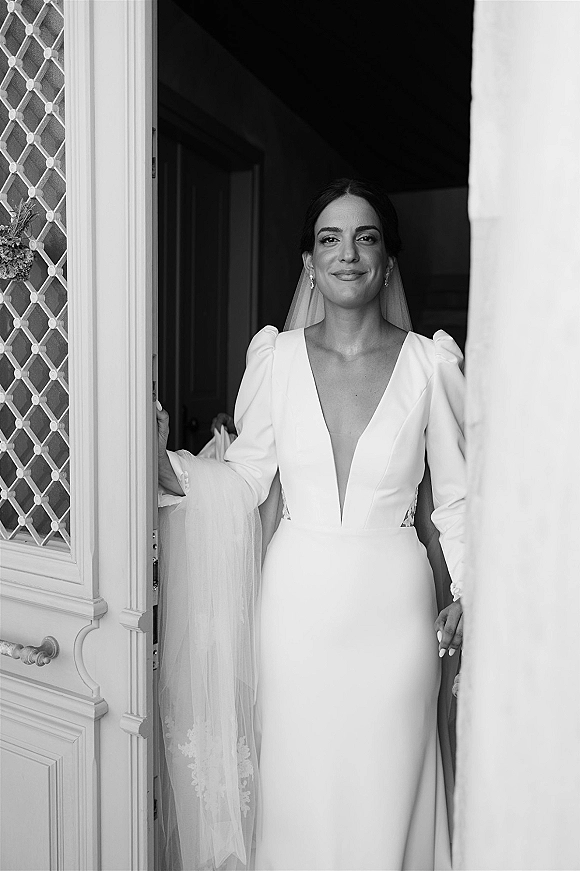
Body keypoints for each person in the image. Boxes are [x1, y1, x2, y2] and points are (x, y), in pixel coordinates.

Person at [157, 178, 465, 871]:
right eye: (329, 238)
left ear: (387, 261)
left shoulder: (430, 364)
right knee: (300, 798)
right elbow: (242, 479)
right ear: (308, 263)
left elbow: (456, 501)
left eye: (366, 237)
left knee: (388, 794)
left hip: (396, 619)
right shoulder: (276, 360)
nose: (347, 253)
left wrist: (467, 590)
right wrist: (167, 468)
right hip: (294, 615)